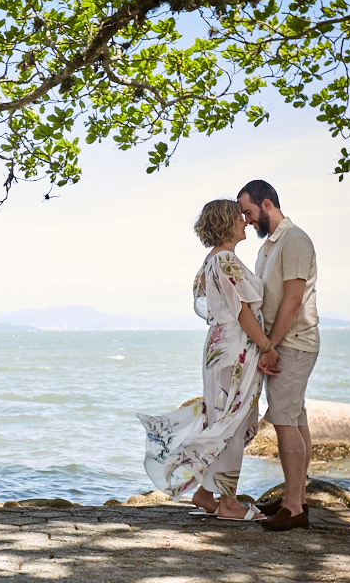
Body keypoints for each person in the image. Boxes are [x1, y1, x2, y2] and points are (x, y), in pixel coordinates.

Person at [138, 199, 279, 521]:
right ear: (226, 223)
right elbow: (242, 311)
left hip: (221, 347)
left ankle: (205, 493)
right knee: (232, 421)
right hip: (236, 348)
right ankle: (228, 503)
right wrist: (267, 346)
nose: (245, 222)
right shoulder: (225, 259)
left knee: (222, 418)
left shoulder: (211, 260)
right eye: (239, 218)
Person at [237, 180, 319, 531]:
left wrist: (270, 346)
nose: (247, 220)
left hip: (292, 342)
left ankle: (294, 509)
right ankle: (296, 499)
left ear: (267, 204)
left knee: (285, 421)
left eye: (248, 212)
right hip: (282, 341)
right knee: (296, 420)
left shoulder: (295, 240)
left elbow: (293, 299)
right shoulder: (268, 247)